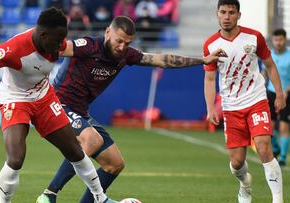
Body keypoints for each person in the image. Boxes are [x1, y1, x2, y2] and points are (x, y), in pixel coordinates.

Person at [36, 16, 225, 203]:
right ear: (108, 32)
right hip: (58, 104)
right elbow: (57, 48)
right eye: (119, 41)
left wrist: (203, 60)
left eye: (127, 43)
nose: (122, 47)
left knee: (114, 163)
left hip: (80, 111)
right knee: (92, 140)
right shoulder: (88, 45)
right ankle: (49, 195)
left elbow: (162, 60)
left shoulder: (126, 55)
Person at [0, 7, 117, 203]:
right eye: (58, 40)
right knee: (16, 158)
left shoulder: (55, 42)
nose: (61, 45)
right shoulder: (13, 49)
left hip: (44, 97)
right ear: (42, 35)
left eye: (63, 39)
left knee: (75, 151)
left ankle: (100, 198)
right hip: (15, 99)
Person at [203, 0, 285, 203]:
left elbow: (270, 65)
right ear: (217, 14)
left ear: (239, 15)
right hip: (231, 107)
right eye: (223, 12)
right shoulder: (211, 45)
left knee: (264, 146)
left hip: (256, 100)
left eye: (232, 12)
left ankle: (278, 198)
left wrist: (280, 93)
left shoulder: (254, 37)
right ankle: (244, 185)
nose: (227, 16)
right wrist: (211, 108)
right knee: (237, 162)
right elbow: (210, 78)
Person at [263, 28, 290, 166]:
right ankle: (276, 148)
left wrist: (286, 90)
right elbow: (264, 73)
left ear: (285, 40)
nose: (278, 42)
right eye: (276, 40)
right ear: (273, 41)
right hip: (271, 93)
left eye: (281, 40)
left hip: (287, 94)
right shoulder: (269, 55)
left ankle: (283, 157)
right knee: (268, 126)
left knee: (284, 127)